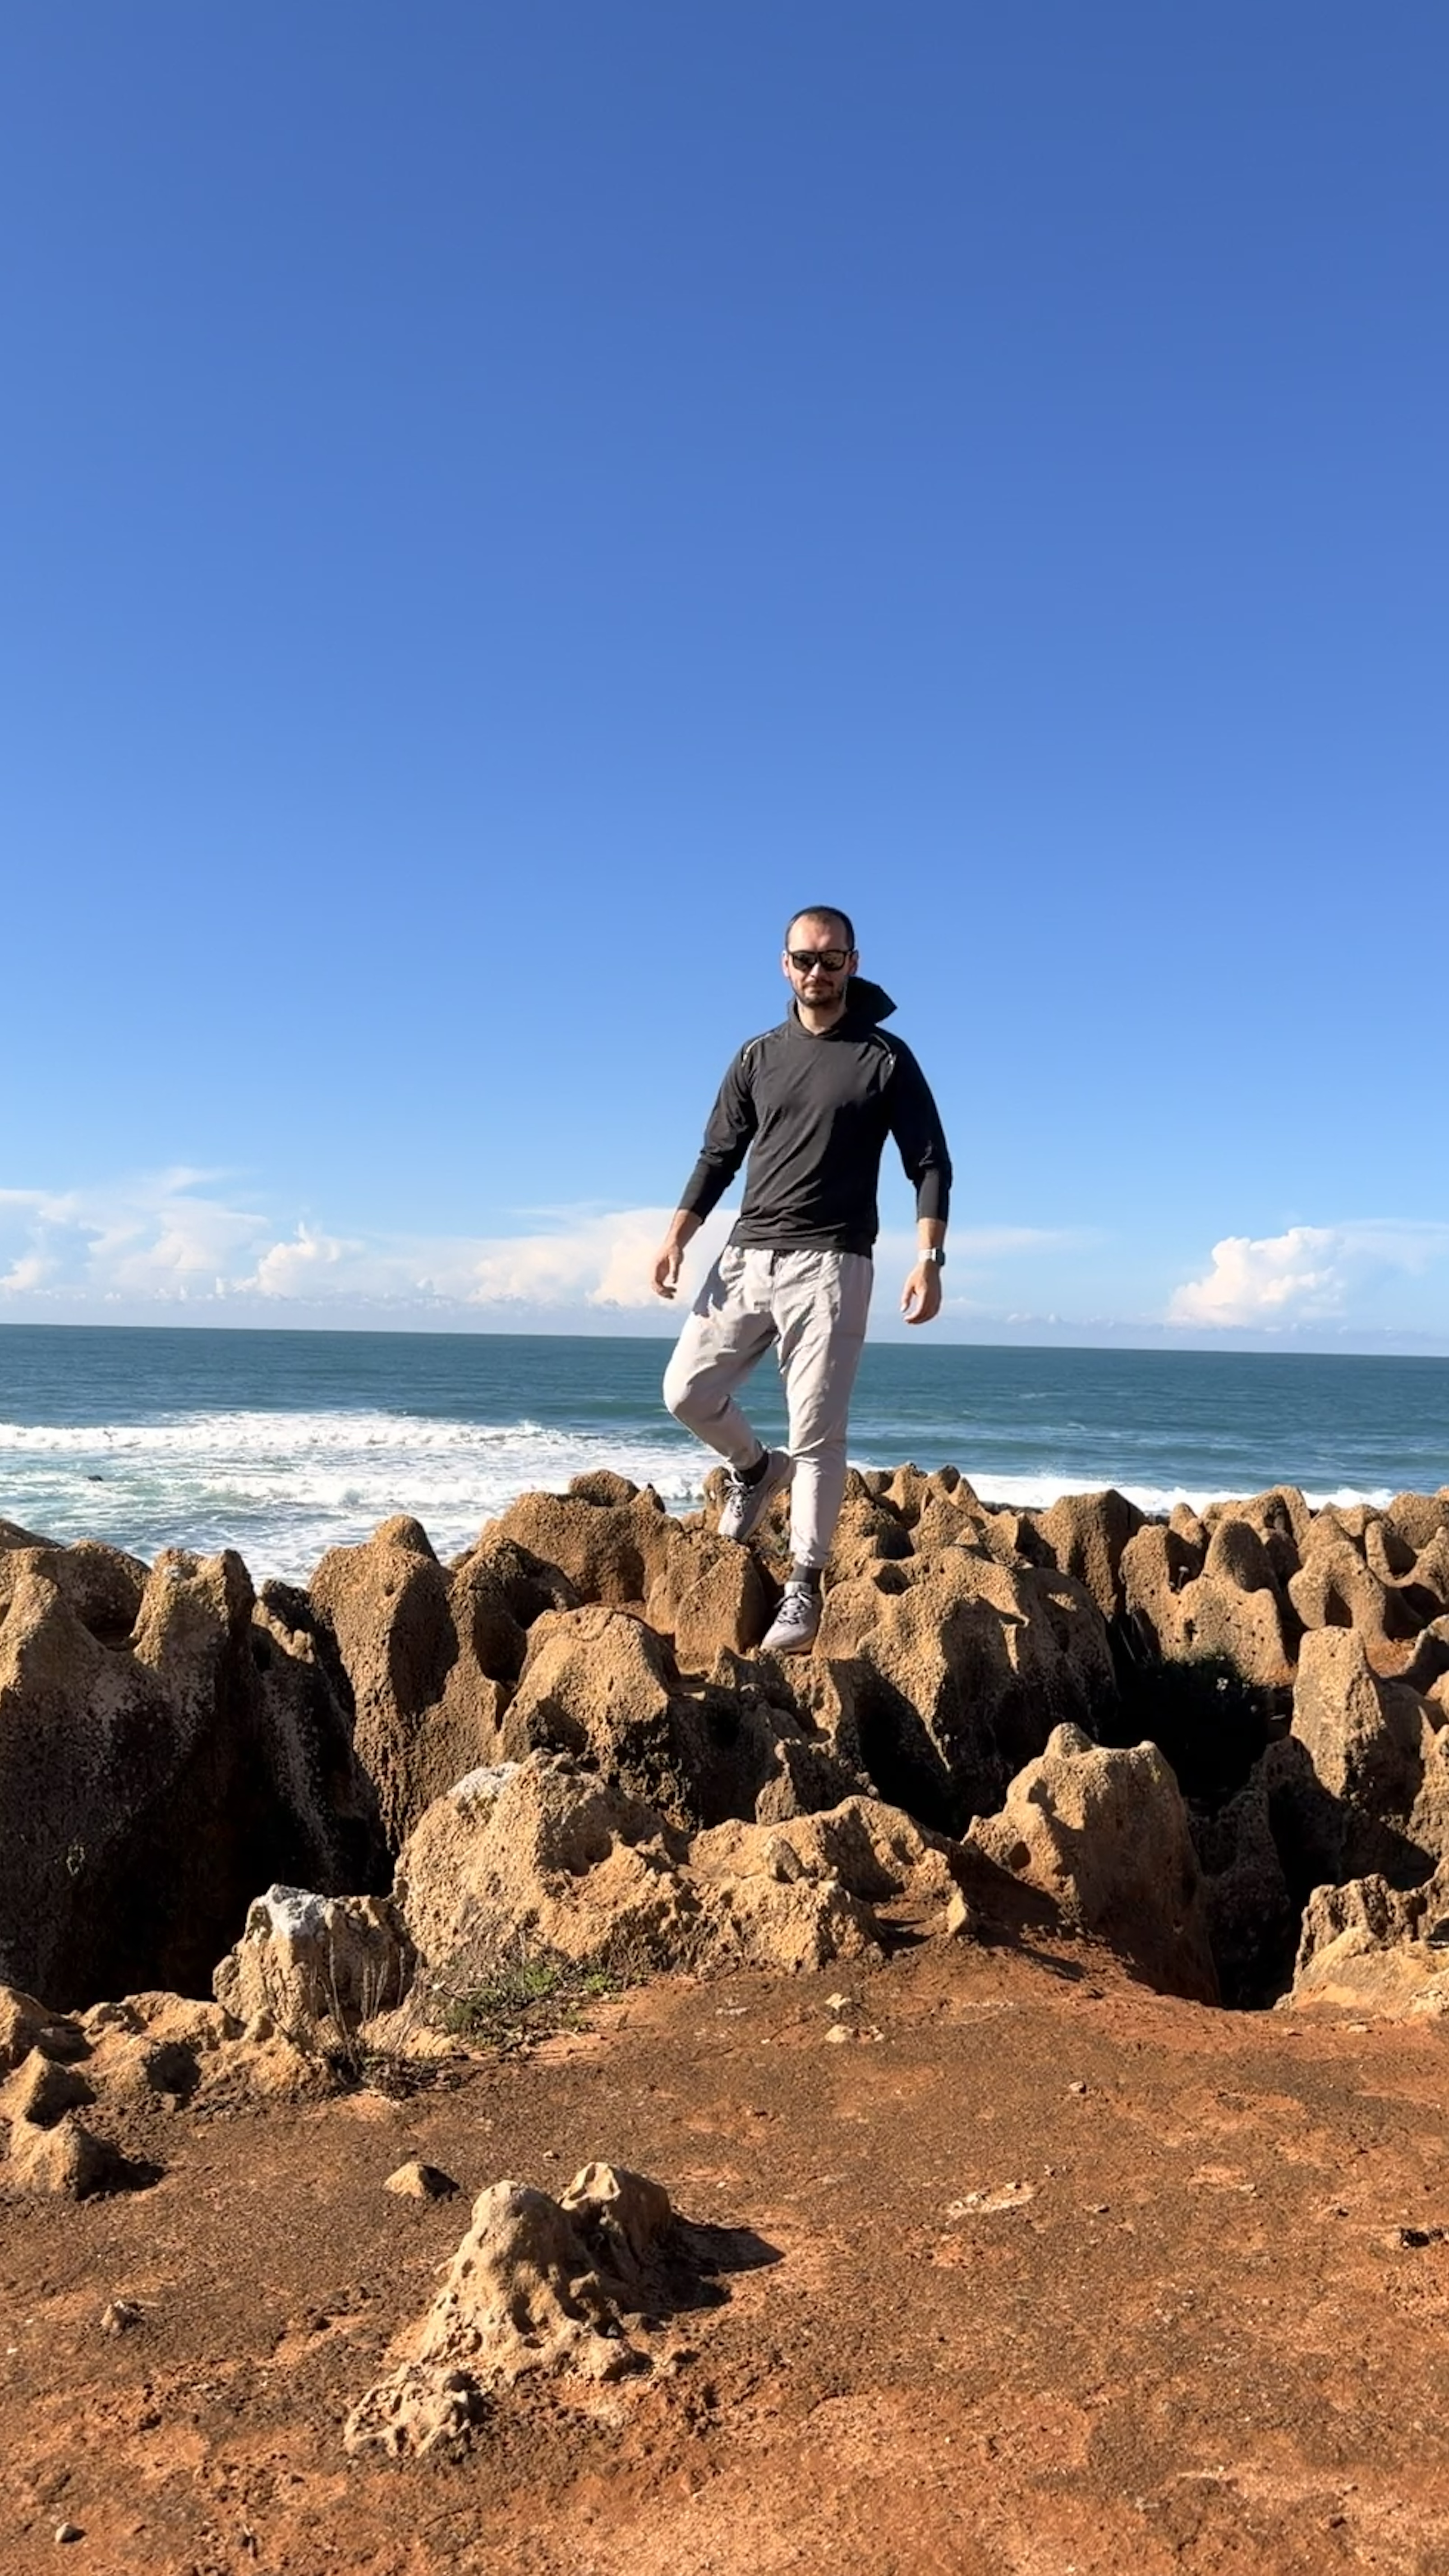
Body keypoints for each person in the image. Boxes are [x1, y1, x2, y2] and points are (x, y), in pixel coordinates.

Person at [653, 906, 952, 1655]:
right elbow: (718, 1156)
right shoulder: (756, 1056)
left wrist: (928, 1258)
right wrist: (677, 1237)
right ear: (784, 965)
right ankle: (755, 1470)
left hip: (833, 1262)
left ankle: (804, 1584)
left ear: (853, 962)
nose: (817, 971)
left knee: (817, 1433)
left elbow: (928, 1162)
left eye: (830, 958)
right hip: (747, 1255)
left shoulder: (884, 1057)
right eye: (804, 959)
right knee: (685, 1392)